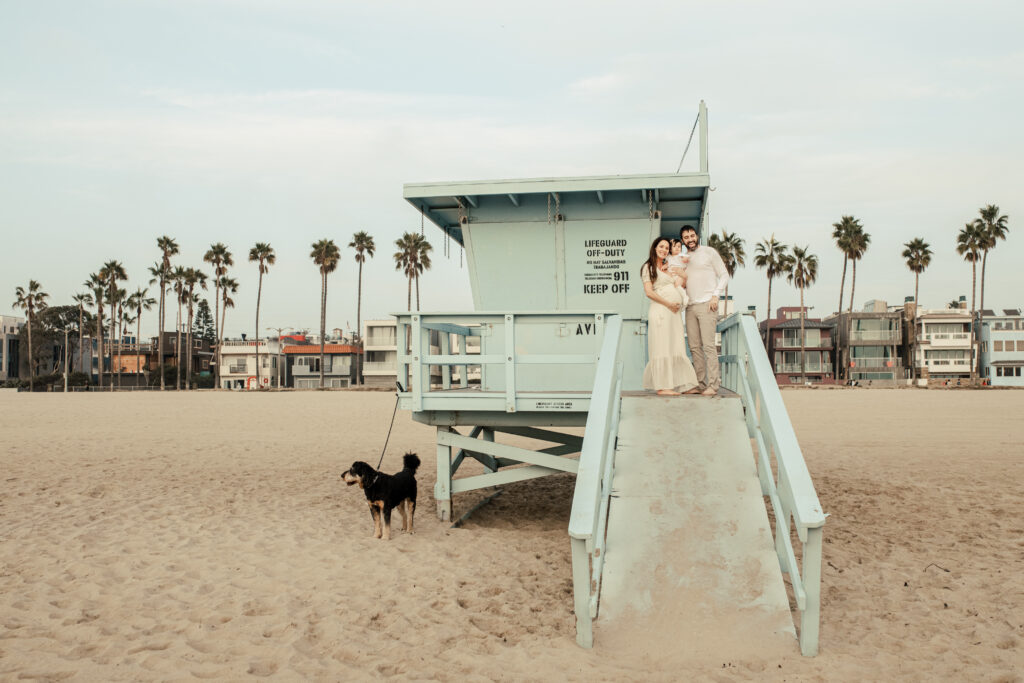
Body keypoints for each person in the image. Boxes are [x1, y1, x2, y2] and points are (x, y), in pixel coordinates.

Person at [640, 237, 699, 396]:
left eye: (667, 248)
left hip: (673, 313)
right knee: (662, 346)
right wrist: (668, 304)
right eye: (661, 247)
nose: (664, 250)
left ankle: (681, 384)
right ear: (654, 247)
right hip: (661, 311)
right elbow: (649, 292)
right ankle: (662, 386)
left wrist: (683, 275)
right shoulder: (648, 267)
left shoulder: (667, 267)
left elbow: (677, 284)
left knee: (676, 345)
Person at [680, 225, 728, 396]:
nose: (690, 239)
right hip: (690, 306)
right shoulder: (683, 258)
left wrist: (716, 295)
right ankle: (699, 384)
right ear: (683, 240)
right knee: (694, 347)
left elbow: (724, 274)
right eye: (686, 237)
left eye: (692, 235)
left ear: (697, 236)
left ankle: (713, 385)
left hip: (708, 303)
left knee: (708, 346)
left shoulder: (709, 252)